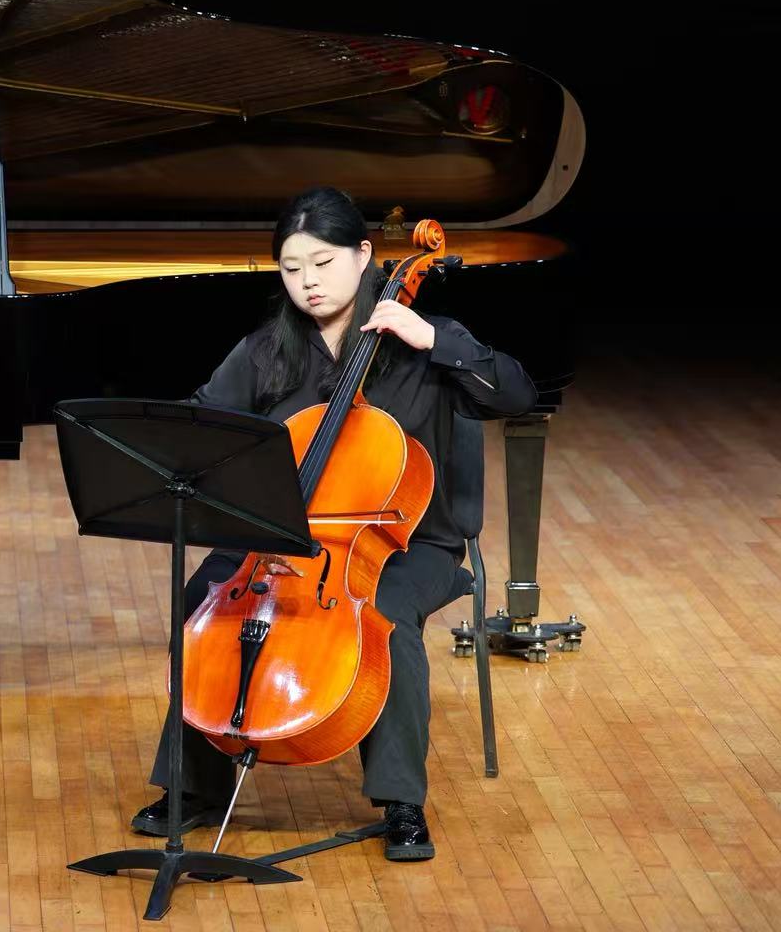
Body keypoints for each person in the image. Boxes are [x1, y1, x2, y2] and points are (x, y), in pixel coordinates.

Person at [130, 186, 537, 861]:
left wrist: (434, 341)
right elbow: (202, 424)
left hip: (406, 542)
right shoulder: (268, 349)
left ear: (364, 255)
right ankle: (194, 786)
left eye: (322, 263)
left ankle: (401, 801)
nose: (308, 283)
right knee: (204, 598)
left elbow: (518, 394)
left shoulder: (423, 339)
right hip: (281, 537)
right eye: (292, 269)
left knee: (385, 616)